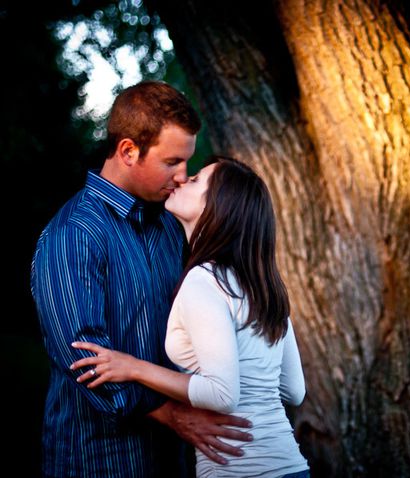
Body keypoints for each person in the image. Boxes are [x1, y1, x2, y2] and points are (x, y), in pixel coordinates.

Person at [31, 82, 252, 478]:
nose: (183, 176)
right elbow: (85, 361)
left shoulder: (170, 225)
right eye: (172, 162)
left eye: (187, 162)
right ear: (129, 151)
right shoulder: (74, 234)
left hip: (175, 457)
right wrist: (174, 416)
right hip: (100, 460)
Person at [71, 157, 310, 478]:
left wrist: (133, 367)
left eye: (196, 180)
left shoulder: (205, 281)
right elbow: (294, 390)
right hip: (291, 466)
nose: (183, 179)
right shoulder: (265, 287)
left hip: (242, 469)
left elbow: (222, 394)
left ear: (217, 207)